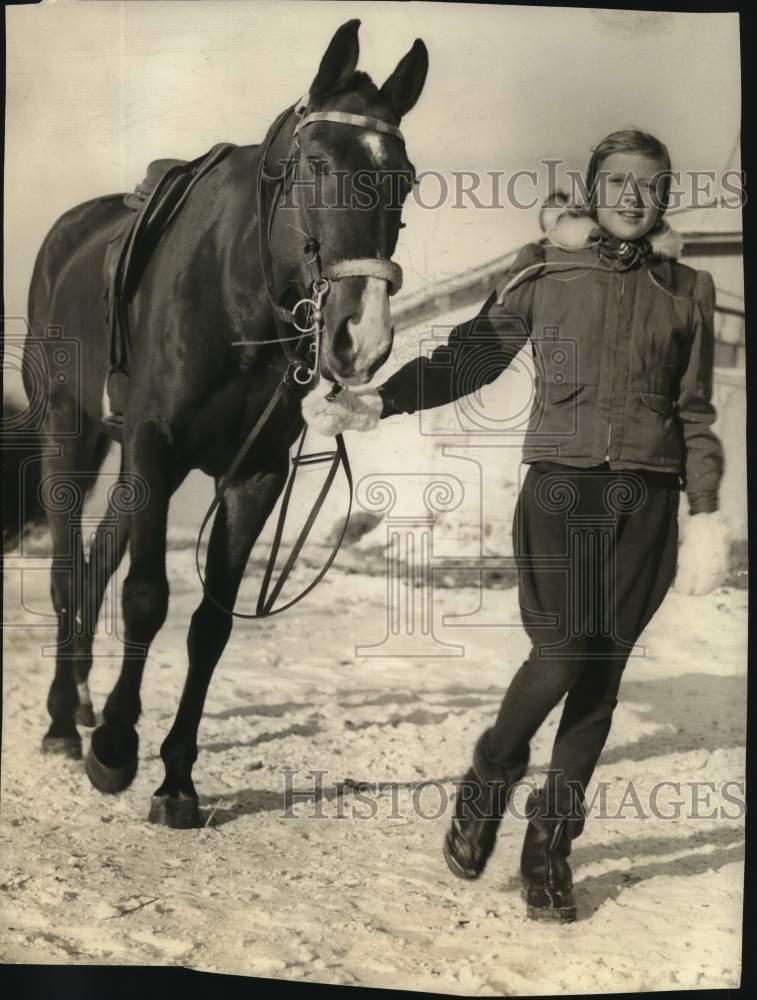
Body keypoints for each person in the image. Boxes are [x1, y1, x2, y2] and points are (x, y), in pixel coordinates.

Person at [303, 128, 728, 922]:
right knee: (562, 653)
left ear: (663, 196)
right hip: (562, 492)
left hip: (648, 496)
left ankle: (549, 850)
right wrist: (376, 400)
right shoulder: (543, 270)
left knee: (599, 681)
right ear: (593, 190)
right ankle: (491, 771)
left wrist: (703, 508)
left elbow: (695, 410)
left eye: (648, 184)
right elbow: (470, 357)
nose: (632, 197)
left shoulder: (688, 290)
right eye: (618, 182)